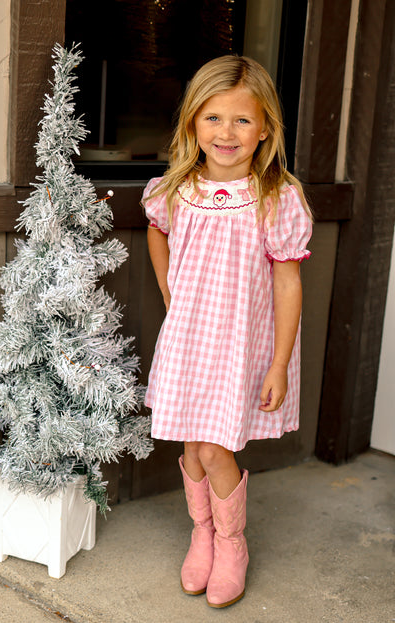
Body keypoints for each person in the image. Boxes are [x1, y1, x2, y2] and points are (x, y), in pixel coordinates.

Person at [142, 55, 313, 609]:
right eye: (213, 118)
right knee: (193, 444)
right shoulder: (177, 189)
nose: (226, 132)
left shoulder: (275, 197)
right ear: (193, 122)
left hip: (241, 347)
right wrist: (171, 292)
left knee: (216, 449)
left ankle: (231, 541)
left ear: (264, 128)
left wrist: (279, 363)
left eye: (242, 120)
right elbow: (157, 232)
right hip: (189, 338)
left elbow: (287, 284)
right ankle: (203, 532)